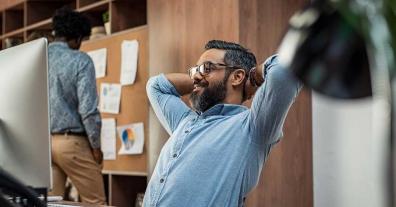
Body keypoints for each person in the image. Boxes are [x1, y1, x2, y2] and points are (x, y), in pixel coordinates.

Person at [144, 40, 302, 206]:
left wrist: (253, 76)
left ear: (237, 77)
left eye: (207, 68)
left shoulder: (252, 127)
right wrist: (200, 80)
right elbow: (155, 86)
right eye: (195, 70)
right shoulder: (185, 121)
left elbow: (287, 69)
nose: (196, 75)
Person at [47, 7, 106, 204]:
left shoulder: (39, 58)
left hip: (44, 144)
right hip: (72, 143)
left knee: (50, 203)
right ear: (77, 37)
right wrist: (96, 147)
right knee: (95, 202)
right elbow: (88, 110)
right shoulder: (81, 60)